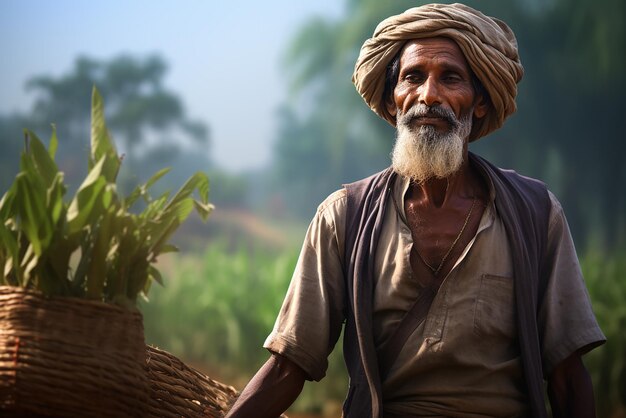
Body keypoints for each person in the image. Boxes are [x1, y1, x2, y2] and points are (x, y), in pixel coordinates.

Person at [225, 3, 606, 418]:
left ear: (479, 103)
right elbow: (288, 367)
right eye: (413, 77)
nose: (429, 95)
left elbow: (568, 376)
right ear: (393, 103)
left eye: (451, 78)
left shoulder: (536, 215)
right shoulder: (343, 217)